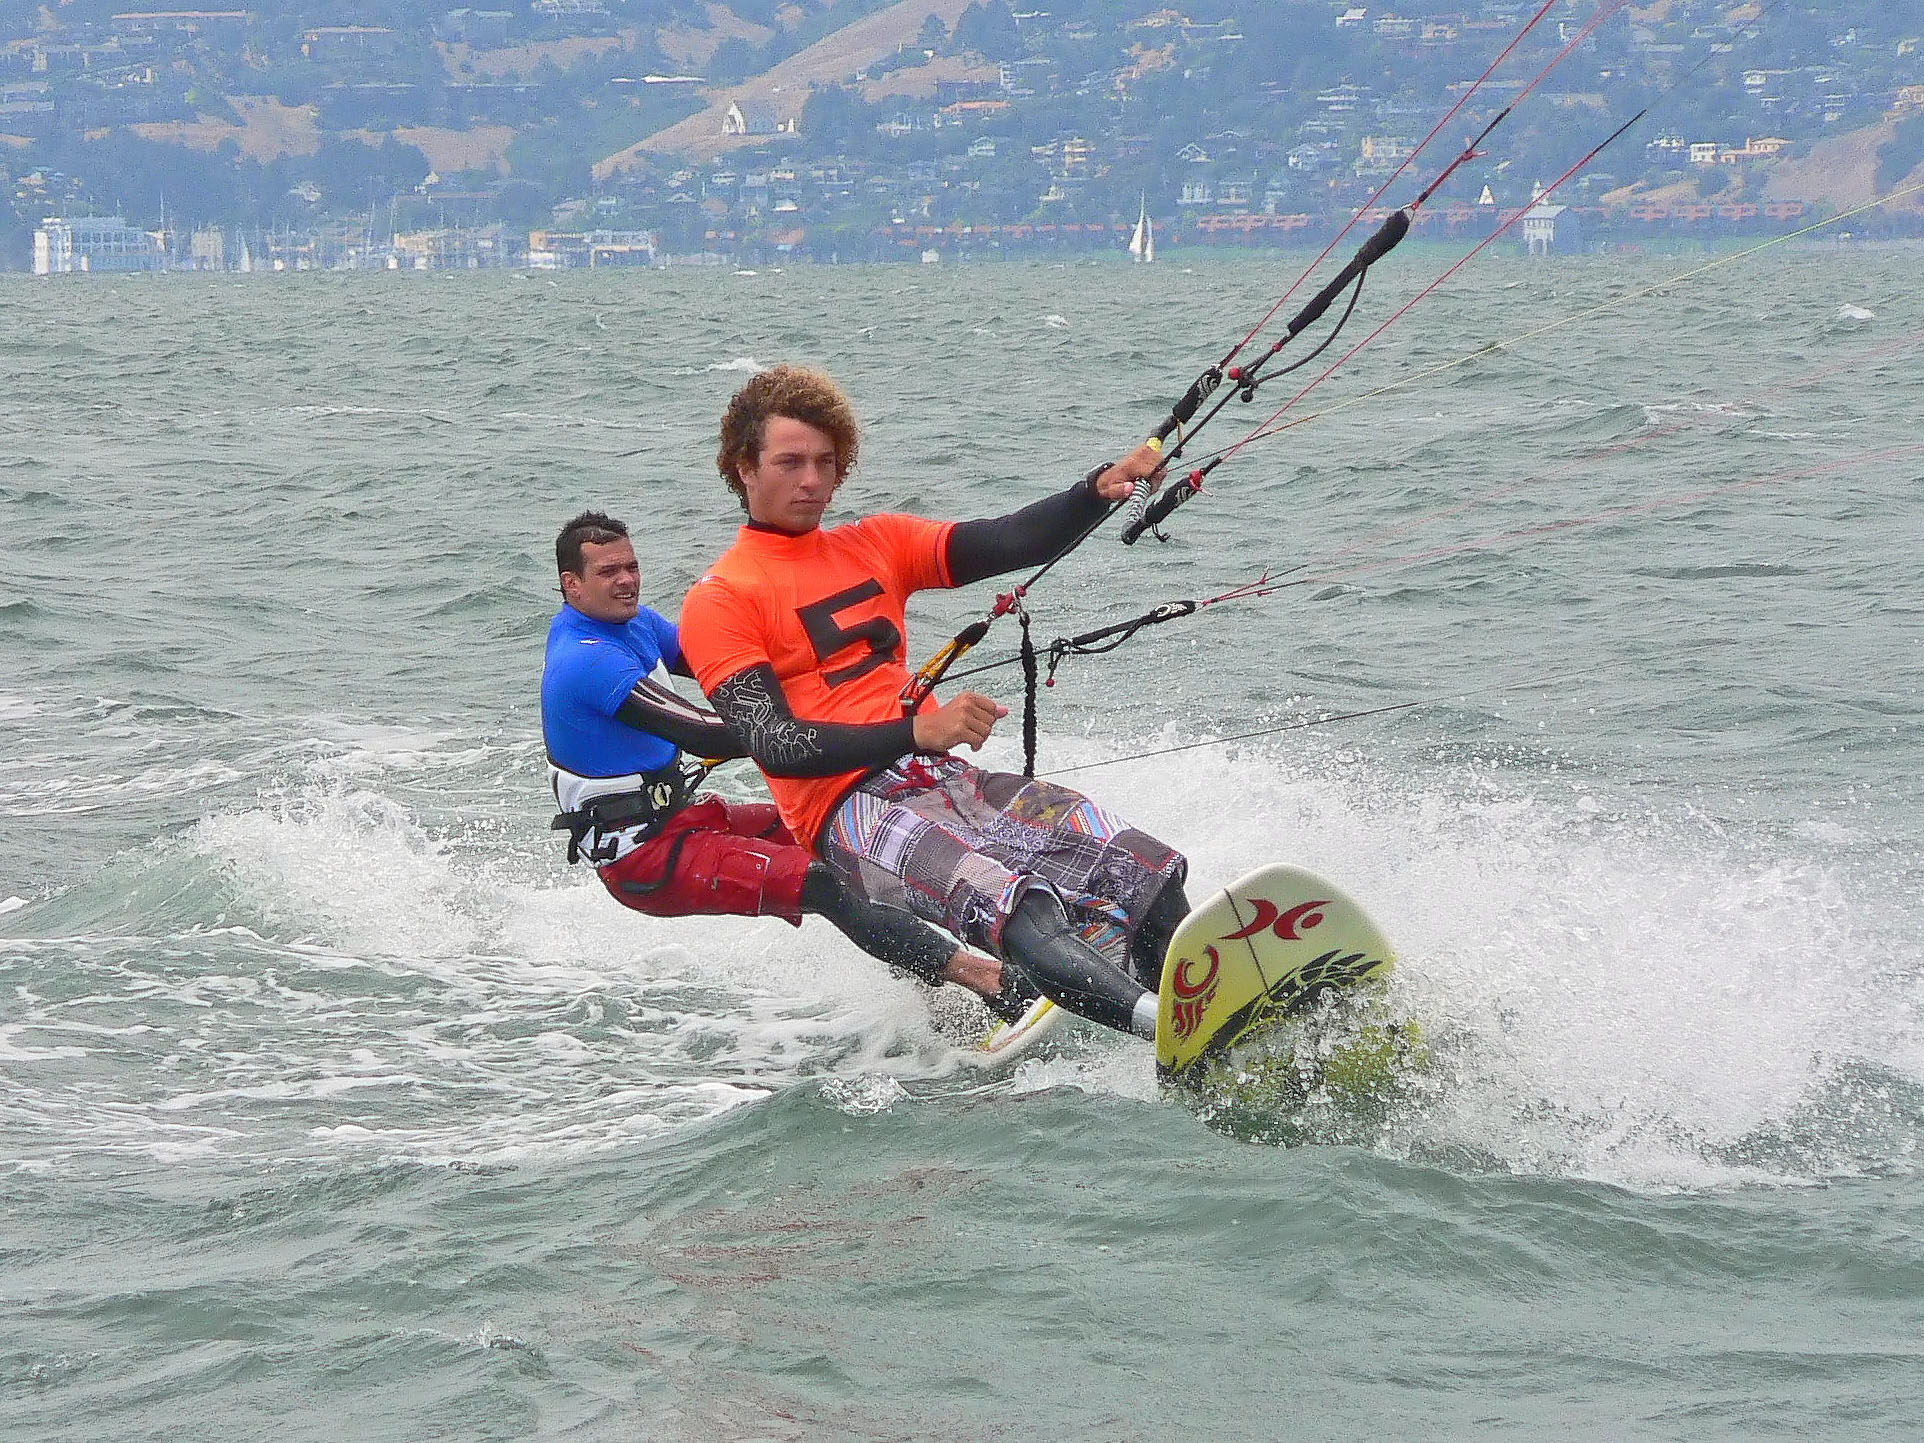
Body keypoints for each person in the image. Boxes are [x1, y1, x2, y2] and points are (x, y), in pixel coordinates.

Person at [678, 366, 1191, 1041]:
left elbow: (1010, 540)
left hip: (941, 777)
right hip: (848, 812)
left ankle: (1200, 1010)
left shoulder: (877, 543)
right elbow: (776, 744)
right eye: (790, 462)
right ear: (745, 467)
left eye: (826, 463)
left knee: (1142, 869)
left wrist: (1097, 490)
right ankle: (1170, 1026)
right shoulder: (721, 598)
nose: (812, 481)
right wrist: (915, 730)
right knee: (1016, 906)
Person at [539, 509, 1028, 1019]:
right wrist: (846, 725)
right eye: (608, 572)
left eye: (631, 566)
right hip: (644, 856)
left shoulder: (636, 623)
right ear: (572, 584)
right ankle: (992, 983)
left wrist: (843, 673)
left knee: (848, 843)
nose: (626, 581)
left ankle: (938, 995)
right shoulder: (587, 660)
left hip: (684, 818)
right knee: (824, 883)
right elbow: (705, 732)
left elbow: (730, 664)